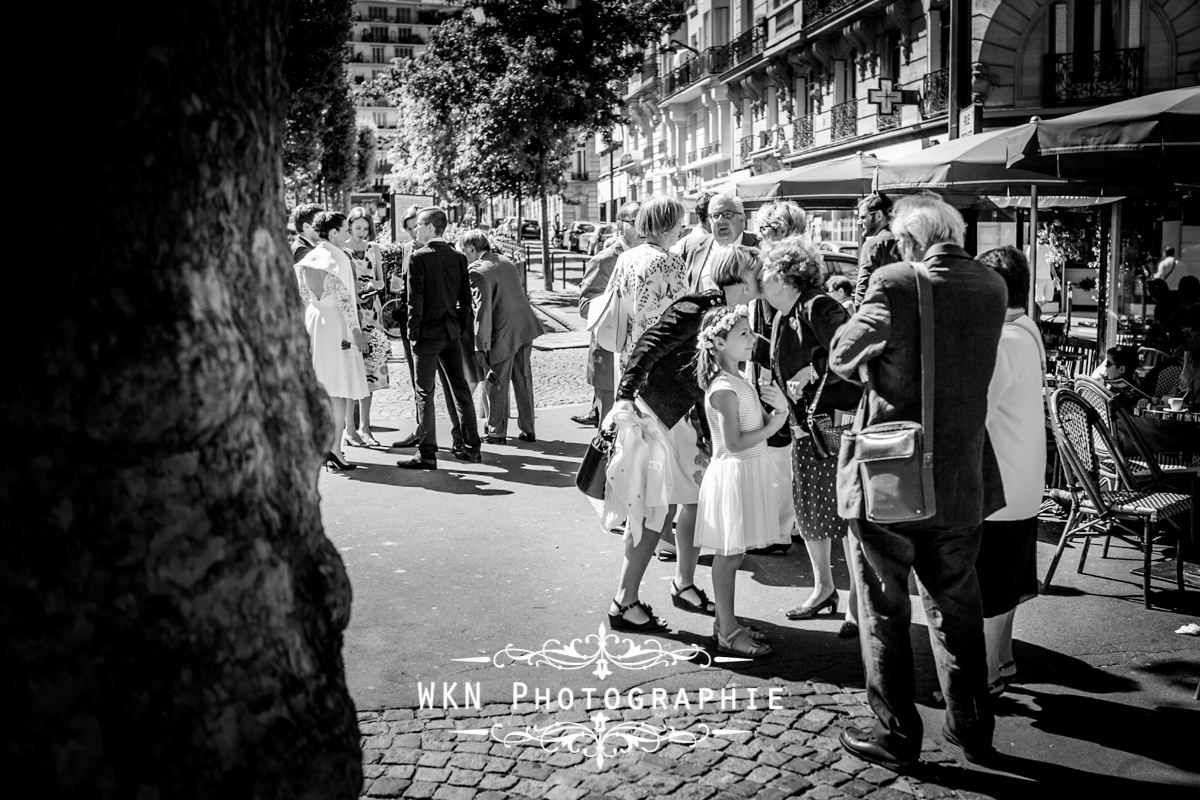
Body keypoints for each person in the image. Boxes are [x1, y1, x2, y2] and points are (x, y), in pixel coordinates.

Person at [830, 193, 1007, 769]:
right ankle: (973, 724)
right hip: (963, 475)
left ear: (909, 241)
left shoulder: (897, 280)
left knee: (883, 603)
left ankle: (898, 731)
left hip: (894, 472)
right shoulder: (992, 285)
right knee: (957, 604)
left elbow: (841, 354)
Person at [601, 250, 764, 632]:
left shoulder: (731, 315)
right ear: (741, 278)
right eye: (757, 274)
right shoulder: (698, 306)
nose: (762, 281)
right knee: (653, 511)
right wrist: (625, 395)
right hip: (653, 418)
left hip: (679, 420)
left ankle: (684, 583)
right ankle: (624, 602)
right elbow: (648, 344)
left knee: (691, 498)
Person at [759, 236, 861, 639]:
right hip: (808, 425)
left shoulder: (818, 305)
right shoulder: (785, 312)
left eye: (767, 271)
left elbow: (848, 353)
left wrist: (815, 371)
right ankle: (824, 590)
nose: (761, 278)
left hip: (834, 422)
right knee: (812, 512)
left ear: (785, 277)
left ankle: (856, 603)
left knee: (847, 512)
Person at [693, 305, 790, 658]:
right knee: (728, 555)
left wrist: (779, 408)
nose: (753, 339)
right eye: (744, 334)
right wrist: (774, 426)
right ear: (718, 342)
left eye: (750, 332)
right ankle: (728, 632)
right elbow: (733, 443)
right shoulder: (722, 388)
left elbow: (760, 421)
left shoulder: (739, 379)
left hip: (747, 471)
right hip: (733, 473)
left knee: (736, 555)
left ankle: (726, 622)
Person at [976, 246, 1046, 699]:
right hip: (1021, 479)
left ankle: (982, 677)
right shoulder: (1026, 330)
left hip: (1001, 483)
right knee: (1006, 584)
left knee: (988, 592)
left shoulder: (1005, 341)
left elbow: (974, 410)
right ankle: (1002, 662)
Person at [397, 207, 481, 470]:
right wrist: (459, 326)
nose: (416, 230)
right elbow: (466, 301)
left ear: (431, 227)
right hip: (450, 332)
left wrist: (413, 333)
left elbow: (415, 301)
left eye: (419, 225)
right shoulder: (458, 258)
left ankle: (427, 452)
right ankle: (471, 446)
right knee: (460, 389)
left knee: (424, 392)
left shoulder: (418, 257)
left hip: (427, 334)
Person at [745, 201, 807, 556]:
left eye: (774, 226)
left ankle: (780, 531)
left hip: (777, 371)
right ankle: (791, 524)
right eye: (765, 225)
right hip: (772, 368)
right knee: (782, 451)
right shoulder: (778, 264)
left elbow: (776, 326)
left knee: (779, 451)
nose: (766, 231)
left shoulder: (785, 269)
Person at [293, 211, 368, 471]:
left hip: (314, 321)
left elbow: (303, 295)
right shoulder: (338, 258)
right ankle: (334, 449)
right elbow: (347, 300)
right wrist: (356, 333)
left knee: (322, 388)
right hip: (336, 324)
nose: (348, 233)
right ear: (333, 232)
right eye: (346, 228)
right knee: (338, 392)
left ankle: (321, 445)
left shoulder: (307, 258)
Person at [458, 230, 543, 444]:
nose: (464, 257)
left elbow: (482, 311)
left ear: (471, 249)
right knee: (523, 379)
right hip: (524, 327)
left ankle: (496, 432)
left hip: (502, 332)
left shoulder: (477, 271)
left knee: (497, 381)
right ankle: (528, 428)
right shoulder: (505, 261)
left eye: (464, 252)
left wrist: (481, 346)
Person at [574, 201, 642, 427]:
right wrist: (617, 305)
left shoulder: (647, 255)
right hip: (609, 354)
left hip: (639, 355)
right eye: (636, 222)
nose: (643, 227)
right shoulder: (605, 259)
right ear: (621, 226)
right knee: (608, 428)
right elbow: (585, 306)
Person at [610, 196, 690, 367]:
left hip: (630, 351)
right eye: (679, 223)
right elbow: (682, 314)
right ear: (666, 226)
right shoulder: (672, 262)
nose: (681, 229)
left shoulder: (626, 257)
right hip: (661, 356)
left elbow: (612, 300)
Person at [343, 207, 388, 447]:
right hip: (353, 314)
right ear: (349, 226)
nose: (362, 232)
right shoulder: (343, 251)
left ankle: (365, 427)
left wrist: (372, 284)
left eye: (365, 227)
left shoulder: (375, 249)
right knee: (352, 369)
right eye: (357, 227)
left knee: (371, 369)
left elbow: (381, 281)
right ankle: (349, 428)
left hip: (373, 312)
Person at [675, 193, 760, 292]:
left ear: (742, 218)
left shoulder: (761, 247)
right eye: (715, 216)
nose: (720, 220)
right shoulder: (691, 248)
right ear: (709, 220)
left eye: (727, 214)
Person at [853, 193, 902, 309]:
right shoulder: (906, 240)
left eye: (863, 217)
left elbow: (862, 291)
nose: (859, 222)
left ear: (879, 216)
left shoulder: (873, 244)